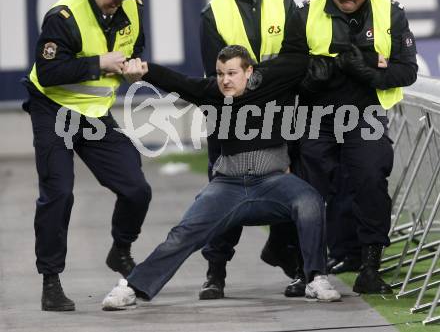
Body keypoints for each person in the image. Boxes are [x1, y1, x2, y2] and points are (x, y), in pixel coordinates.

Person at [101, 45, 342, 310]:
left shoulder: (275, 83)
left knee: (310, 201)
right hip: (228, 186)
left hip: (273, 183)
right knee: (182, 235)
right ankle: (132, 288)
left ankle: (316, 278)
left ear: (249, 71)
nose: (225, 80)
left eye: (231, 73)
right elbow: (177, 81)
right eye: (219, 73)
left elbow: (305, 57)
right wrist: (145, 71)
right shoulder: (212, 94)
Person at [22, 0, 152, 311]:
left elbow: (134, 48)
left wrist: (133, 68)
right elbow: (48, 72)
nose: (118, 0)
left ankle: (120, 250)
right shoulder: (63, 16)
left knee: (136, 188)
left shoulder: (131, 7)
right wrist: (98, 64)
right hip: (54, 110)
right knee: (59, 193)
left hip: (94, 114)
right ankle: (51, 281)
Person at [286, 0, 418, 294]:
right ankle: (307, 271)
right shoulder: (306, 11)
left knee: (371, 182)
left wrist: (370, 73)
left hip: (366, 115)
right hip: (317, 115)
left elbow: (408, 71)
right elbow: (287, 71)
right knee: (308, 190)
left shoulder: (391, 12)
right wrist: (310, 78)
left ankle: (369, 267)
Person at [199, 0, 304, 300]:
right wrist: (267, 79)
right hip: (230, 118)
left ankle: (286, 253)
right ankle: (216, 271)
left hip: (279, 115)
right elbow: (220, 77)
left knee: (290, 187)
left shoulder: (284, 0)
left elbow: (295, 56)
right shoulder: (214, 11)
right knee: (223, 194)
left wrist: (263, 80)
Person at [307, 0, 362, 275]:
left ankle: (347, 251)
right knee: (323, 186)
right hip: (317, 112)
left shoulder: (353, 18)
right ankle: (333, 250)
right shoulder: (309, 16)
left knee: (345, 185)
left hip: (347, 113)